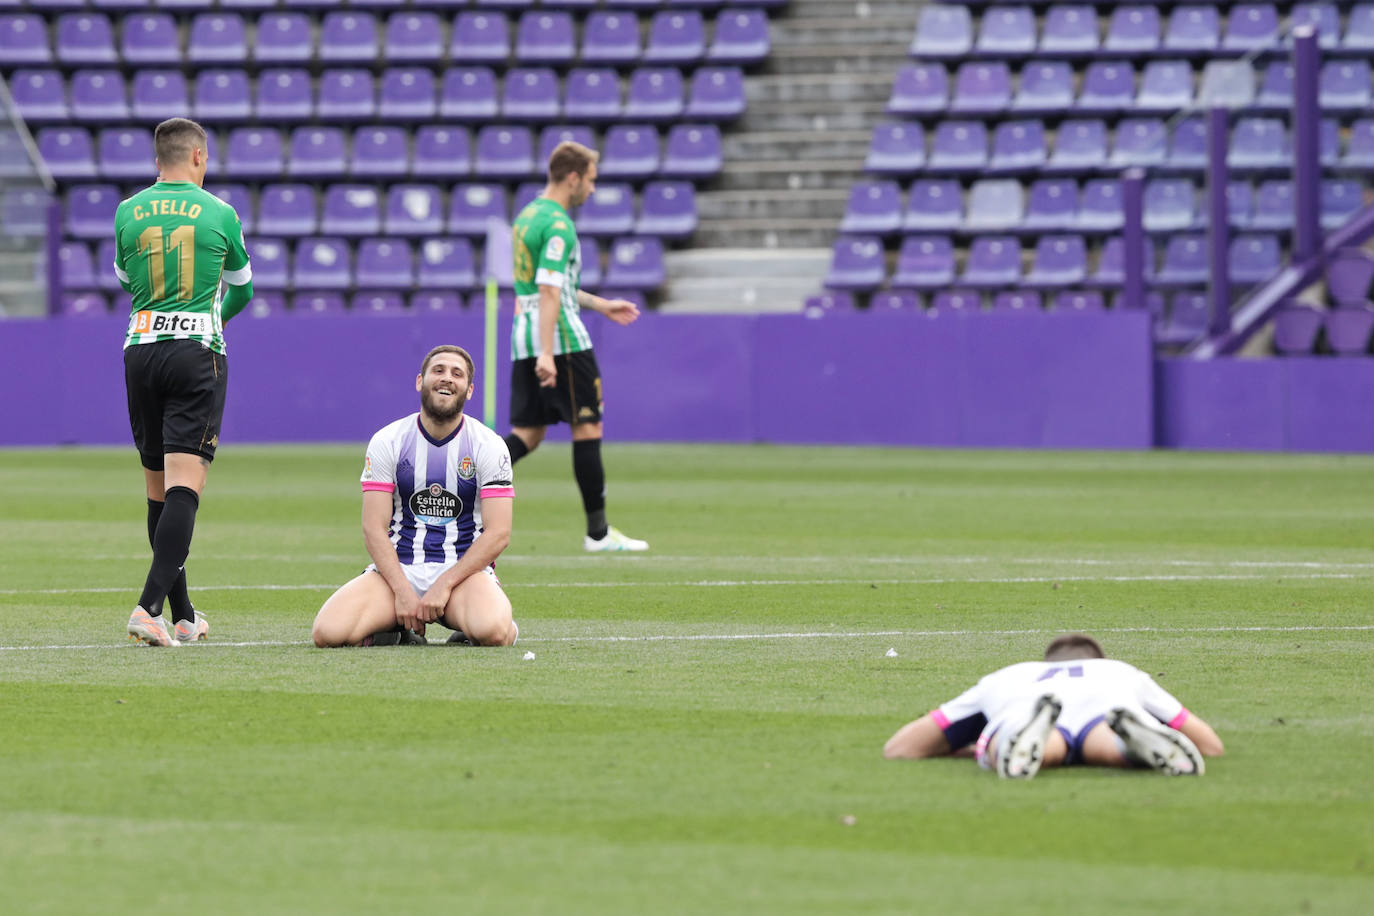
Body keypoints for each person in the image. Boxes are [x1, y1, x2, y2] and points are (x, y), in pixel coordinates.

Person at [116, 117, 254, 647]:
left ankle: (184, 614)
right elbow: (242, 287)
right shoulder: (220, 213)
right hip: (196, 352)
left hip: (141, 350)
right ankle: (149, 607)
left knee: (158, 490)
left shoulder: (128, 212)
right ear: (199, 156)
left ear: (158, 161)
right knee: (185, 488)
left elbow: (128, 282)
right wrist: (213, 317)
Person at [312, 346, 519, 648]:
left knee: (494, 631)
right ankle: (396, 630)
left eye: (457, 374)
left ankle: (475, 622)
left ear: (469, 390)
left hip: (463, 576)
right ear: (420, 381)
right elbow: (374, 527)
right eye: (438, 370)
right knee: (328, 633)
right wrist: (402, 591)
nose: (447, 378)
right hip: (399, 570)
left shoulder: (489, 445)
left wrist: (445, 584)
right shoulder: (389, 440)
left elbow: (499, 533)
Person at [502, 141, 649, 553]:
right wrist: (549, 352)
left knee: (528, 434)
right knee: (588, 425)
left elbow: (545, 286)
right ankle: (598, 534)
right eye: (591, 180)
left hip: (524, 332)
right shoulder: (560, 225)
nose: (592, 189)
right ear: (573, 178)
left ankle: (456, 481)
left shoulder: (527, 216)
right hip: (561, 338)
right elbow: (551, 291)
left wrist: (600, 304)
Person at [883, 633, 1225, 779]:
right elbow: (1209, 744)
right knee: (1103, 740)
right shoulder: (1120, 672)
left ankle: (1018, 740)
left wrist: (965, 748)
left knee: (1037, 741)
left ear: (1046, 662)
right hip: (1108, 707)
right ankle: (1132, 742)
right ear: (1096, 659)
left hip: (1027, 705)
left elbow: (901, 748)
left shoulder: (1008, 676)